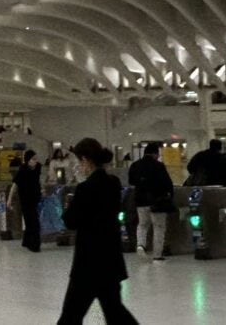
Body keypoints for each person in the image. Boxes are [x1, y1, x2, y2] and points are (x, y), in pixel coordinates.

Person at [58, 138, 139, 324]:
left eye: (79, 162)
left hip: (88, 262)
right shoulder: (113, 183)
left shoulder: (86, 188)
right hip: (110, 259)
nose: (78, 166)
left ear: (85, 160)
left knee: (70, 316)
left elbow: (70, 220)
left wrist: (77, 191)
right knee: (114, 311)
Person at [128, 143, 175, 262]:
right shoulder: (159, 166)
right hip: (157, 201)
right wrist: (170, 196)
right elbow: (167, 183)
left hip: (141, 201)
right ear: (155, 153)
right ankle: (157, 254)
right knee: (159, 227)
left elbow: (131, 181)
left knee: (142, 225)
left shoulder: (135, 165)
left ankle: (140, 245)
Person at [9, 149, 42, 252]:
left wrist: (42, 189)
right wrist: (9, 199)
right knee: (33, 221)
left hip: (35, 197)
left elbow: (38, 181)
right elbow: (15, 185)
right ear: (28, 160)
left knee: (30, 221)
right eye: (33, 159)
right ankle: (34, 245)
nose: (35, 161)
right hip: (25, 199)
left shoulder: (38, 168)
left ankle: (27, 241)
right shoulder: (23, 170)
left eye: (36, 159)